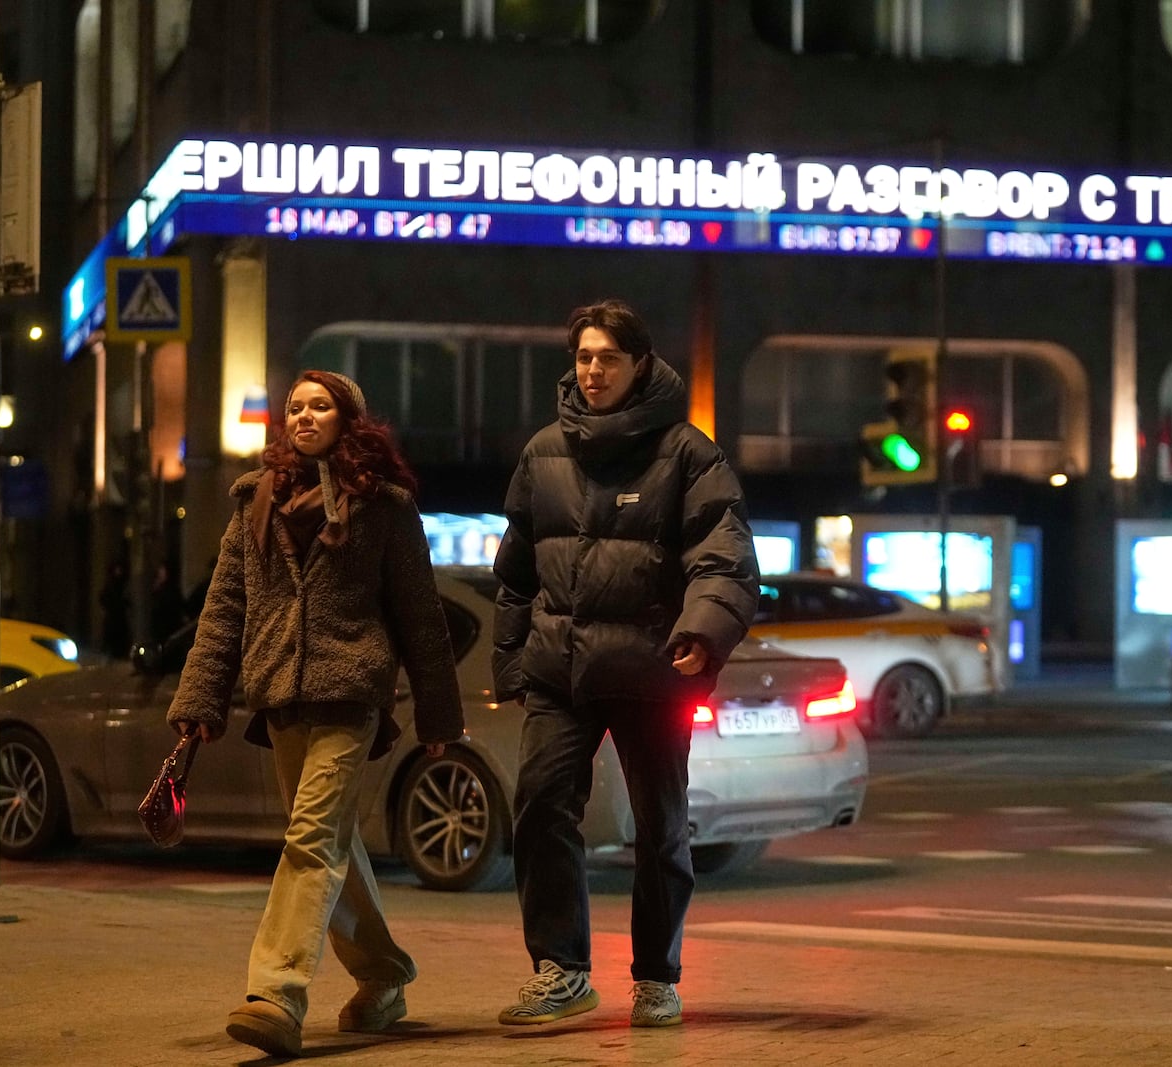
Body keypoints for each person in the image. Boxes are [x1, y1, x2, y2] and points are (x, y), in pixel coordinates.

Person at [166, 370, 465, 1058]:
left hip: (351, 693)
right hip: (280, 695)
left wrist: (439, 718)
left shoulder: (385, 508)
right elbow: (225, 610)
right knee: (332, 846)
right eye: (295, 406)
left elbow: (421, 617)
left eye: (319, 405)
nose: (304, 415)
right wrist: (200, 701)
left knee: (308, 840)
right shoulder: (255, 502)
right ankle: (384, 974)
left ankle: (277, 992)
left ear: (348, 419)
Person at [491, 299, 760, 1028]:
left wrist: (701, 631)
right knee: (542, 805)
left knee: (661, 826)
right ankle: (561, 968)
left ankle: (656, 975)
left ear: (640, 363)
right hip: (561, 672)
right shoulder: (545, 450)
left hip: (652, 671)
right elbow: (516, 569)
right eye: (583, 356)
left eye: (608, 357)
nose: (593, 369)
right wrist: (512, 661)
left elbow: (725, 558)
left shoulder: (687, 452)